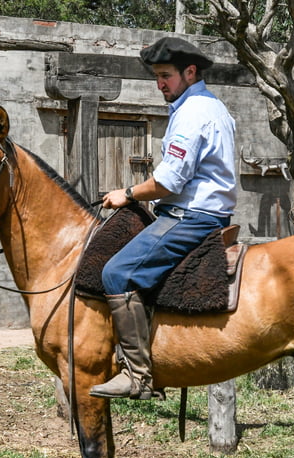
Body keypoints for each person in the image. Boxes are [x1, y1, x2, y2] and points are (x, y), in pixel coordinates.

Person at [90, 36, 237, 400]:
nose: (160, 85)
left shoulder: (192, 113)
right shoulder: (211, 107)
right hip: (207, 213)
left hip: (192, 217)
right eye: (157, 77)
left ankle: (137, 376)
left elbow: (169, 182)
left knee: (115, 272)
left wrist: (125, 194)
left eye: (166, 76)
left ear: (190, 72)